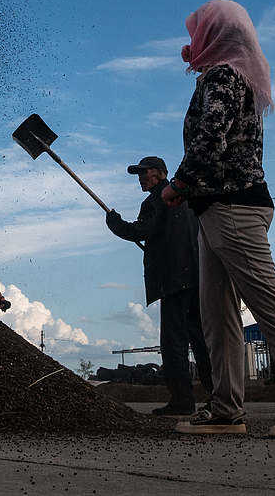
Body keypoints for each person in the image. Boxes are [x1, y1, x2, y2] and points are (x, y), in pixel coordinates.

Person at [161, 0, 275, 439]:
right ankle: (225, 409)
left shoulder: (223, 75)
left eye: (200, 30)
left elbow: (209, 139)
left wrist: (177, 185)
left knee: (269, 306)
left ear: (215, 34)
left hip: (234, 207)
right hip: (217, 209)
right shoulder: (238, 76)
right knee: (218, 316)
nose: (193, 39)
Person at [106, 155, 212, 416]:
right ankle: (219, 394)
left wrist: (115, 224)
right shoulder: (187, 199)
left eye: (146, 172)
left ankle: (182, 401)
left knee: (173, 342)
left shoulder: (156, 199)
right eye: (139, 174)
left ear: (161, 174)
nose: (141, 178)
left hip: (173, 279)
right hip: (196, 275)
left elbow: (142, 231)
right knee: (201, 339)